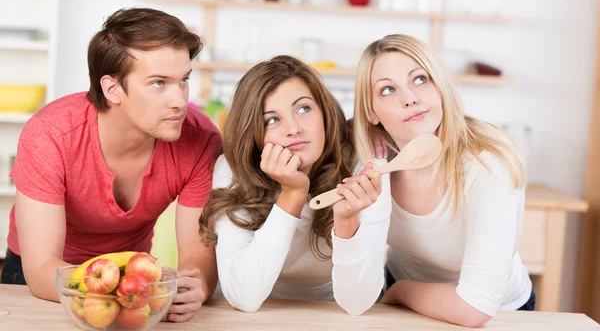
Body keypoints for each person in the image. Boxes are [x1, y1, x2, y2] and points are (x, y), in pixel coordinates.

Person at [2, 8, 221, 323]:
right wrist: (129, 292)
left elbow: (198, 257)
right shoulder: (50, 135)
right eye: (159, 83)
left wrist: (193, 286)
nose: (179, 100)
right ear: (112, 89)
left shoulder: (201, 141)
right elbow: (40, 269)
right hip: (45, 281)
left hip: (133, 281)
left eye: (184, 80)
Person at [352, 34, 534, 327]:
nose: (410, 97)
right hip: (403, 300)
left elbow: (475, 308)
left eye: (420, 79)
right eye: (387, 90)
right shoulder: (372, 160)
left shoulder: (487, 166)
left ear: (440, 86)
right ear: (372, 111)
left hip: (494, 312)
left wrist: (399, 291)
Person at [198, 55, 390, 315]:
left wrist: (347, 221)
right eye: (272, 120)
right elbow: (244, 297)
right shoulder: (232, 170)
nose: (294, 129)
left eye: (303, 109)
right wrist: (292, 194)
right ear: (254, 135)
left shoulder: (363, 164)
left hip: (333, 311)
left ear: (325, 113)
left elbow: (357, 304)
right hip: (259, 313)